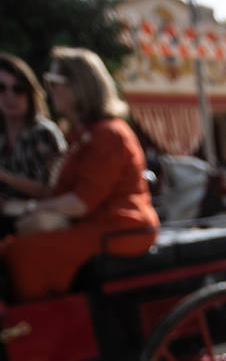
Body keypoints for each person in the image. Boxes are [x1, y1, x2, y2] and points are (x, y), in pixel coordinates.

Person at [1, 47, 158, 302]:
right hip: (94, 225)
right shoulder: (82, 133)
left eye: (55, 83)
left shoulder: (109, 134)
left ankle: (37, 330)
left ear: (78, 86)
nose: (50, 90)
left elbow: (81, 202)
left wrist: (26, 208)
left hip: (119, 228)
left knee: (21, 254)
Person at [0, 54, 66, 223]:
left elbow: (53, 189)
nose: (9, 96)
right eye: (2, 88)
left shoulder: (43, 133)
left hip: (34, 220)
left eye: (18, 89)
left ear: (30, 93)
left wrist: (5, 177)